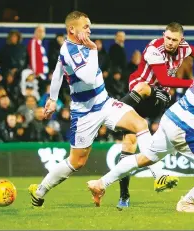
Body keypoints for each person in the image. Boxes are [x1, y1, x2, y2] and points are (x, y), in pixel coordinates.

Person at [27, 11, 166, 207]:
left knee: (140, 123)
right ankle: (40, 190)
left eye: (89, 26)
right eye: (86, 26)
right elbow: (89, 77)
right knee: (77, 162)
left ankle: (159, 175)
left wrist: (52, 98)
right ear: (72, 29)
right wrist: (93, 50)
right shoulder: (72, 51)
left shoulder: (72, 47)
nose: (89, 30)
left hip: (105, 103)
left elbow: (58, 70)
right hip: (84, 113)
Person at [87, 57, 194, 213]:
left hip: (171, 118)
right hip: (184, 129)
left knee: (145, 158)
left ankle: (100, 183)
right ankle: (187, 203)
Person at [114, 22, 194, 210]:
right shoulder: (154, 49)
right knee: (128, 145)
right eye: (167, 37)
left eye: (174, 39)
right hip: (138, 94)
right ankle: (124, 196)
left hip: (159, 95)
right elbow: (166, 78)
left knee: (145, 89)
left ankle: (113, 112)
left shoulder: (185, 48)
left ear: (181, 40)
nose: (170, 42)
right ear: (163, 35)